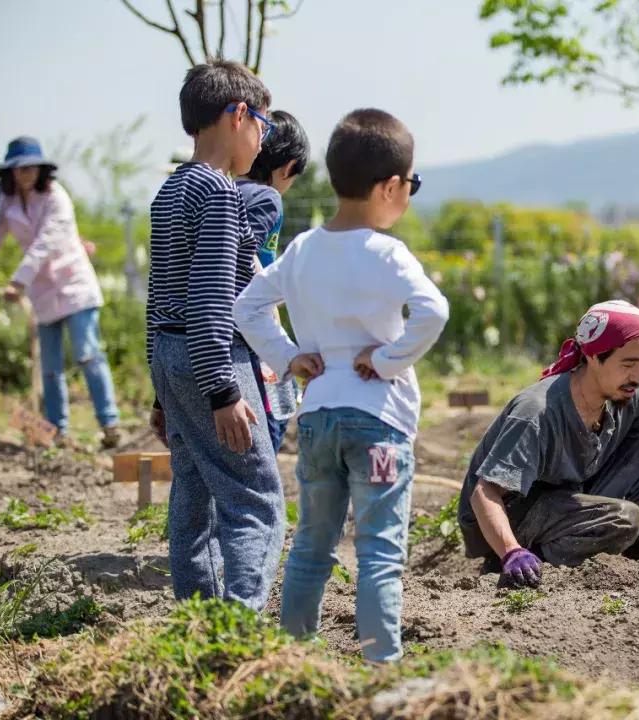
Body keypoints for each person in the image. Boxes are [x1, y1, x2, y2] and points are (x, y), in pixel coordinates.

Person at [234, 108, 448, 662]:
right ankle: (381, 666)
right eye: (411, 187)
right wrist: (390, 359)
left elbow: (249, 306)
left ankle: (293, 662)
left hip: (319, 418)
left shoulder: (302, 248)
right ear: (390, 187)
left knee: (311, 544)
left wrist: (288, 357)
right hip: (378, 424)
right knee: (378, 551)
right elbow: (434, 311)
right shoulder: (387, 252)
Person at [146, 60, 285, 611]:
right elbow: (210, 301)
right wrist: (223, 391)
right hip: (212, 358)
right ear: (239, 115)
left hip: (169, 355)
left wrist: (163, 393)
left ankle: (197, 618)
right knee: (255, 496)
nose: (262, 141)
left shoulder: (170, 190)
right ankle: (238, 629)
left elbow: (159, 298)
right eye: (264, 127)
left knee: (194, 490)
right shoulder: (220, 192)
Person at [457, 300, 639, 588]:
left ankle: (637, 562)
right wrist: (510, 551)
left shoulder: (631, 395)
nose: (637, 376)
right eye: (628, 363)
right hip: (510, 516)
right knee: (625, 518)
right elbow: (485, 492)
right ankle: (530, 561)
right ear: (593, 357)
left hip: (567, 497)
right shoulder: (538, 412)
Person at [0, 137, 120, 447]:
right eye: (19, 169)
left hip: (74, 286)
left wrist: (17, 281)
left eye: (31, 168)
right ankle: (57, 431)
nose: (25, 174)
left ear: (41, 170)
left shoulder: (57, 198)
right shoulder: (7, 203)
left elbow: (44, 244)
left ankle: (110, 425)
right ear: (9, 173)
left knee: (87, 353)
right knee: (50, 366)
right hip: (42, 292)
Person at [235, 109, 310, 452]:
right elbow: (247, 255)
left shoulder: (228, 187)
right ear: (287, 167)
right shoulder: (267, 198)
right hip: (252, 326)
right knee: (269, 426)